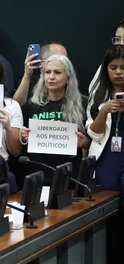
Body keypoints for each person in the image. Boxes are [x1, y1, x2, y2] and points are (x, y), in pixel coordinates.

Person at [19, 54, 89, 187]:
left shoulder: (83, 104)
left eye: (57, 72)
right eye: (47, 72)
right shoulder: (31, 105)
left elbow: (91, 143)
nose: (51, 77)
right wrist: (23, 136)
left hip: (69, 176)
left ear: (68, 78)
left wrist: (85, 143)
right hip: (37, 175)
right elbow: (22, 140)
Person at [86, 45, 124, 207]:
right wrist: (104, 112)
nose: (118, 72)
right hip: (106, 158)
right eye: (113, 67)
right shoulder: (98, 95)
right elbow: (94, 134)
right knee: (105, 205)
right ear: (106, 69)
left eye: (123, 68)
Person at [13, 41, 68, 106]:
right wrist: (27, 76)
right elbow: (16, 107)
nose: (66, 62)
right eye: (61, 58)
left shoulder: (66, 78)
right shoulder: (29, 81)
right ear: (43, 62)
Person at [89, 18, 124, 93]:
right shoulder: (105, 67)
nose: (121, 43)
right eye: (117, 39)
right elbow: (93, 100)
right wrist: (105, 105)